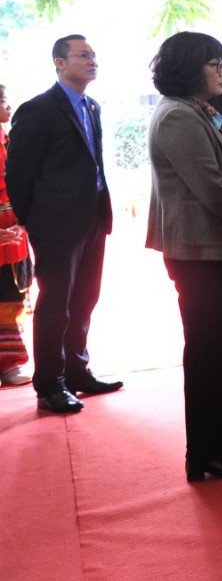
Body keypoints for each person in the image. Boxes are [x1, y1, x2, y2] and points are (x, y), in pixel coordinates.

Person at [146, 32, 222, 482]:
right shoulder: (178, 117)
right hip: (199, 251)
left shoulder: (197, 110)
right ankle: (209, 452)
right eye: (214, 63)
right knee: (210, 352)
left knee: (220, 350)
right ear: (191, 68)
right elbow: (214, 189)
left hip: (211, 248)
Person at [5, 35, 120, 413]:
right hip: (55, 225)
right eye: (83, 55)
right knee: (56, 304)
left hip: (92, 219)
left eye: (94, 54)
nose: (92, 60)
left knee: (85, 299)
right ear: (59, 62)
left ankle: (77, 371)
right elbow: (18, 172)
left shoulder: (92, 106)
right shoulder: (38, 109)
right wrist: (32, 220)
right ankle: (50, 384)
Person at [0, 84, 33, 386]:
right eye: (3, 102)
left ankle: (10, 364)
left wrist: (22, 222)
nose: (8, 107)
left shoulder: (9, 139)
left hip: (13, 237)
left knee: (11, 300)